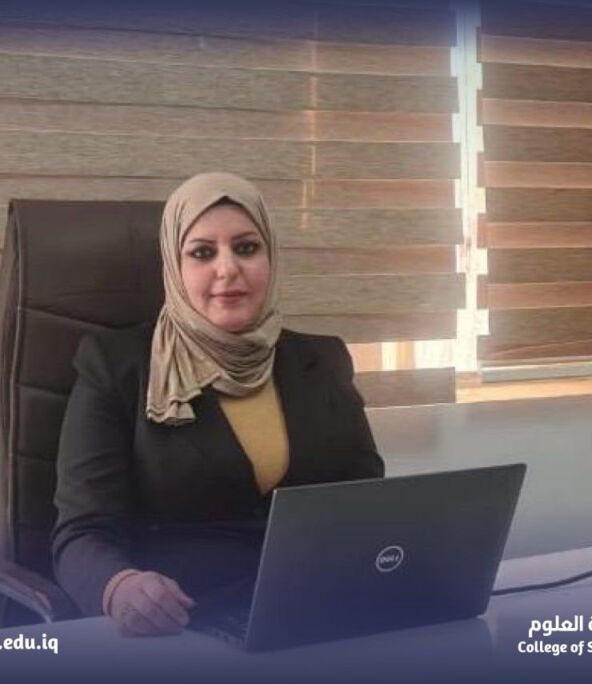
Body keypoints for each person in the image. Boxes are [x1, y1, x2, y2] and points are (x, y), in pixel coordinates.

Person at [51, 172, 383, 637]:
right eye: (202, 253)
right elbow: (81, 534)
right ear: (174, 266)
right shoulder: (116, 366)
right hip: (186, 624)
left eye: (246, 248)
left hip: (315, 612)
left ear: (271, 257)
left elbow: (369, 504)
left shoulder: (322, 360)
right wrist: (121, 586)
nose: (228, 269)